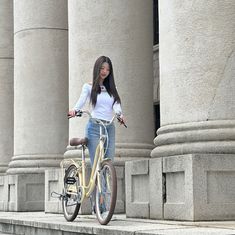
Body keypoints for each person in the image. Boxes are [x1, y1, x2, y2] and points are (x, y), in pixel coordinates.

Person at [68, 55, 125, 166]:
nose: (105, 71)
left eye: (108, 69)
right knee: (97, 164)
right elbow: (82, 100)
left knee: (109, 162)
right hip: (94, 127)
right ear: (97, 68)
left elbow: (116, 104)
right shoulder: (88, 87)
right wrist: (75, 110)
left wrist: (120, 115)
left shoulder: (112, 89)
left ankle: (105, 183)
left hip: (109, 127)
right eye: (102, 68)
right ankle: (98, 183)